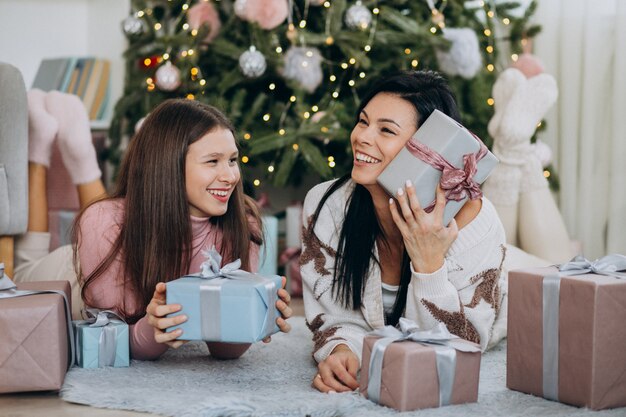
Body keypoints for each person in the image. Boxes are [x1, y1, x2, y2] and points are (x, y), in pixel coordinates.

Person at [14, 94, 292, 361]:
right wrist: (152, 329)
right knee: (21, 269)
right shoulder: (102, 223)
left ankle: (80, 151)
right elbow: (111, 340)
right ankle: (44, 151)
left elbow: (222, 351)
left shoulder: (243, 221)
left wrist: (250, 320)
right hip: (69, 275)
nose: (230, 176)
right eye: (212, 161)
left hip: (122, 239)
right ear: (169, 166)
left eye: (232, 160)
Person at [301, 70, 507, 393]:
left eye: (386, 130)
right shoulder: (326, 206)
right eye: (363, 121)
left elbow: (462, 348)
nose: (362, 137)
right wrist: (344, 350)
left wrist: (429, 266)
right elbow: (335, 318)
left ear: (428, 147)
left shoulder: (477, 224)